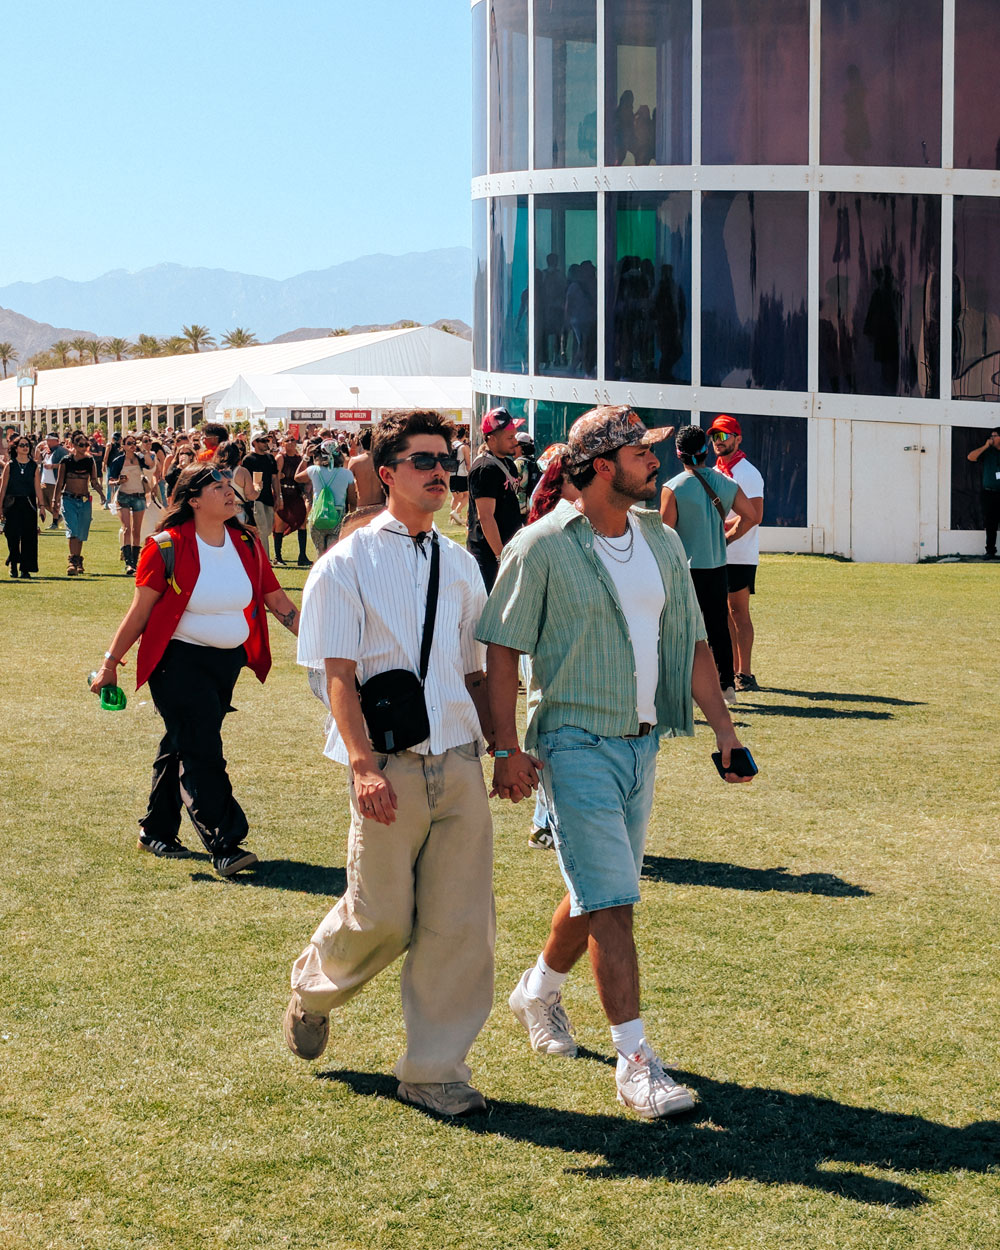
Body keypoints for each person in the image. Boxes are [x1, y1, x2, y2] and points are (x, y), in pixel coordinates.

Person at [477, 405, 755, 1120]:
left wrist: (726, 732)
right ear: (601, 466)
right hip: (572, 740)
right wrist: (506, 748)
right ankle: (636, 1064)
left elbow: (693, 642)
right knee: (614, 901)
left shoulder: (659, 541)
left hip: (643, 741)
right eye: (638, 452)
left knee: (601, 888)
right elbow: (502, 650)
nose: (651, 460)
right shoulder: (538, 547)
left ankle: (536, 993)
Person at [285, 409, 496, 1118]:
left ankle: (434, 1071)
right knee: (382, 917)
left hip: (460, 760)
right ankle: (314, 988)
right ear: (386, 471)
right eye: (425, 461)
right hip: (388, 767)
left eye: (448, 461)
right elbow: (336, 675)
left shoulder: (462, 563)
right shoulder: (344, 563)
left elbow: (475, 674)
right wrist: (361, 764)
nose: (442, 472)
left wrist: (506, 747)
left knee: (461, 924)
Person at [89, 464, 301, 877]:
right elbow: (140, 612)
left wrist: (319, 638)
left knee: (183, 741)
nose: (229, 492)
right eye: (218, 487)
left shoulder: (246, 540)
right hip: (176, 663)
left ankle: (156, 830)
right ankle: (225, 842)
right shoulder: (166, 545)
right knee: (203, 747)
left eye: (228, 486)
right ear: (192, 500)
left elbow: (276, 600)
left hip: (226, 663)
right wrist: (109, 664)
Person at [660, 426, 757, 705]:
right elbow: (750, 516)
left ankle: (684, 688)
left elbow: (665, 530)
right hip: (716, 566)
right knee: (718, 628)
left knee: (682, 628)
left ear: (678, 453)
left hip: (685, 569)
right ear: (705, 449)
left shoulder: (673, 487)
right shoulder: (726, 483)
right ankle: (727, 686)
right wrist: (726, 538)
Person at [708, 415, 765, 691]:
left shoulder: (748, 473)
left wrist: (724, 536)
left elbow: (754, 516)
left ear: (738, 438)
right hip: (719, 553)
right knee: (723, 615)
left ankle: (746, 673)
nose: (718, 441)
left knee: (738, 612)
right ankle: (729, 671)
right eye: (715, 436)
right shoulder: (715, 471)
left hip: (739, 554)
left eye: (724, 435)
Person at [467, 407, 525, 591]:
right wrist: (500, 556)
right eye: (509, 437)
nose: (515, 442)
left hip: (509, 549)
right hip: (489, 556)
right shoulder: (484, 468)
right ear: (491, 438)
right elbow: (486, 516)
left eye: (515, 436)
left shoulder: (509, 464)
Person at [52, 433, 104, 576]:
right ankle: (73, 561)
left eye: (86, 445)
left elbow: (94, 481)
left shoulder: (90, 461)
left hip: (84, 500)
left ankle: (78, 560)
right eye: (81, 445)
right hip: (69, 499)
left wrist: (102, 495)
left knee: (81, 532)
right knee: (73, 530)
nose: (84, 448)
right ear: (73, 445)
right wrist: (54, 500)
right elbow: (60, 482)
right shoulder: (66, 461)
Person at [295, 440, 357, 557]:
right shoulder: (347, 474)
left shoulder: (314, 470)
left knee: (320, 555)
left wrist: (306, 457)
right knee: (333, 556)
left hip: (318, 517)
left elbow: (297, 477)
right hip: (338, 517)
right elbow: (353, 501)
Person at [1, 435, 47, 578]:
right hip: (12, 503)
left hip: (29, 503)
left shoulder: (33, 466)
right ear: (16, 448)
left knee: (29, 537)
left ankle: (25, 568)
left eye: (27, 445)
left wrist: (42, 506)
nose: (25, 447)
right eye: (21, 445)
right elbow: (3, 487)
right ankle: (14, 564)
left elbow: (37, 487)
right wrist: (0, 507)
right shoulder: (10, 465)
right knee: (12, 536)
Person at [109, 434, 155, 574]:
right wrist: (118, 482)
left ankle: (135, 563)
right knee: (127, 528)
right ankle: (129, 563)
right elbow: (111, 480)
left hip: (139, 496)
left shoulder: (140, 458)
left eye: (134, 443)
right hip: (124, 496)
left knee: (137, 530)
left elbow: (151, 465)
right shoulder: (118, 461)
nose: (132, 445)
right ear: (123, 446)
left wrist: (144, 451)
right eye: (129, 443)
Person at [242, 433, 282, 558]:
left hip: (268, 498)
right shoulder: (248, 459)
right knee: (262, 530)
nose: (266, 443)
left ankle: (259, 556)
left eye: (267, 440)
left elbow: (275, 479)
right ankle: (265, 559)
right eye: (262, 440)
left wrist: (278, 496)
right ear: (254, 442)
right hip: (254, 498)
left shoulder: (270, 458)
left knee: (268, 529)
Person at [274, 435, 310, 566]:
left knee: (302, 521)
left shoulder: (299, 458)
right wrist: (279, 496)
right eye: (287, 440)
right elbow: (276, 477)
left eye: (292, 440)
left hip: (296, 493)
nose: (290, 443)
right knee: (280, 524)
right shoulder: (280, 458)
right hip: (283, 492)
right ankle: (278, 557)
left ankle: (303, 556)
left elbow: (305, 474)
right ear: (282, 443)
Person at [967, 427, 1000, 558]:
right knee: (990, 523)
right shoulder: (988, 452)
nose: (992, 438)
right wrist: (985, 446)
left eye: (995, 436)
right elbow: (971, 457)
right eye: (991, 436)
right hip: (989, 494)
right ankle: (990, 551)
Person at [346, 427, 384, 508]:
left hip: (362, 505)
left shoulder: (354, 461)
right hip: (380, 505)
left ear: (360, 442)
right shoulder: (382, 460)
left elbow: (348, 485)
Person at [39, 432, 67, 529]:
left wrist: (53, 466)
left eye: (49, 440)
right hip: (44, 481)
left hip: (54, 481)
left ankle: (55, 522)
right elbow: (38, 458)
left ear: (55, 440)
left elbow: (66, 464)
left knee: (54, 502)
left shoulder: (61, 451)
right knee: (41, 502)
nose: (47, 442)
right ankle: (58, 516)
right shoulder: (47, 451)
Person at [514, 431, 541, 520]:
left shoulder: (518, 464)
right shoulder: (536, 464)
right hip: (533, 510)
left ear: (521, 448)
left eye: (515, 445)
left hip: (519, 511)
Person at [449, 426, 472, 524]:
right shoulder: (464, 447)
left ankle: (452, 520)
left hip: (452, 474)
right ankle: (456, 512)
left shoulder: (451, 446)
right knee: (467, 495)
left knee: (455, 497)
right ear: (464, 435)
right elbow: (467, 463)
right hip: (462, 474)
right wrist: (470, 474)